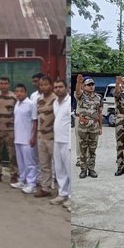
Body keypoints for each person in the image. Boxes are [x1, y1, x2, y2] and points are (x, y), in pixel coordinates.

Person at [0, 75, 18, 185]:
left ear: (9, 85)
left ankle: (14, 175)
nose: (3, 85)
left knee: (12, 154)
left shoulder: (14, 97)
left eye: (5, 83)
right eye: (1, 83)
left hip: (10, 129)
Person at [11, 82, 38, 193]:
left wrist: (33, 137)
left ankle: (32, 184)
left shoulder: (31, 104)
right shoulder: (17, 104)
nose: (19, 93)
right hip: (18, 139)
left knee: (30, 163)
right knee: (21, 162)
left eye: (21, 91)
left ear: (26, 92)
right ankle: (22, 180)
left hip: (28, 139)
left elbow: (35, 121)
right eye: (17, 91)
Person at [75, 76, 103, 179]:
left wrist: (100, 127)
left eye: (92, 85)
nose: (91, 87)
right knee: (83, 148)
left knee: (92, 149)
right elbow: (77, 92)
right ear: (84, 86)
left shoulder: (98, 98)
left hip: (94, 126)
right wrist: (78, 83)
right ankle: (83, 169)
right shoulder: (81, 96)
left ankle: (91, 169)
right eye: (88, 85)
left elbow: (100, 113)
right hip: (83, 126)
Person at [52, 78, 72, 206]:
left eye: (60, 86)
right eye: (56, 87)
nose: (58, 89)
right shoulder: (55, 103)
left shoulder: (69, 102)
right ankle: (62, 194)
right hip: (57, 140)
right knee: (59, 169)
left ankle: (71, 197)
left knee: (69, 169)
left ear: (66, 88)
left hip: (67, 141)